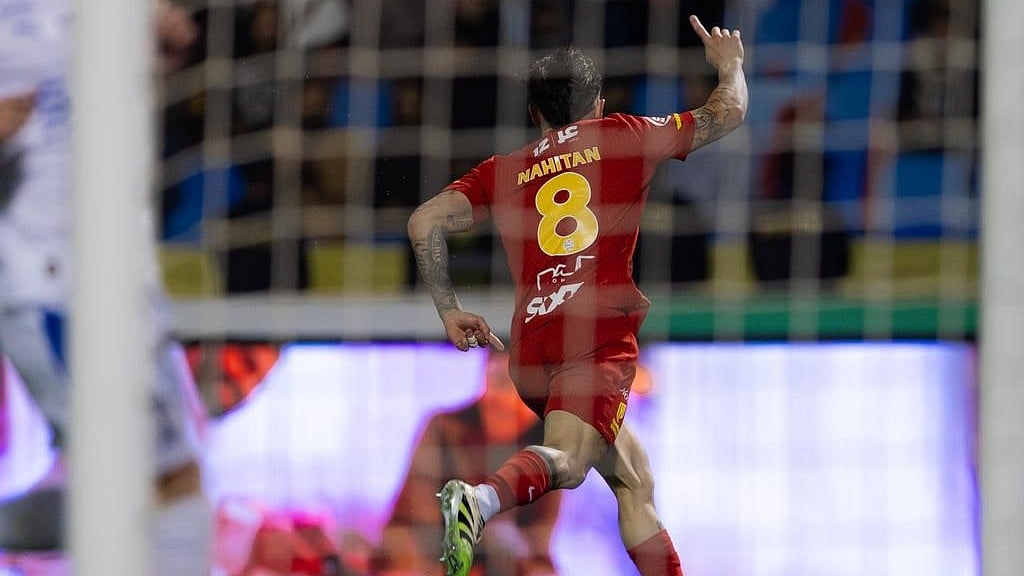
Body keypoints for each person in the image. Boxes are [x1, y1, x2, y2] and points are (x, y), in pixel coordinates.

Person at [407, 15, 747, 576]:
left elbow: (424, 221)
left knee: (633, 478)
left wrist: (449, 311)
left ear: (534, 114)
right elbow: (726, 112)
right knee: (568, 462)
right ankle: (479, 500)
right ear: (599, 105)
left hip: (532, 349)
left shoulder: (505, 170)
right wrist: (729, 65)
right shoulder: (621, 135)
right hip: (595, 336)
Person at [0, 1, 210, 574]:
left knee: (172, 475)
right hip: (47, 283)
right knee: (135, 481)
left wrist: (151, 45)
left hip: (122, 273)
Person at [378, 352, 562, 576]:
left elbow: (539, 542)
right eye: (501, 381)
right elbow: (413, 528)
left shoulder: (548, 447)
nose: (507, 400)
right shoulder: (444, 429)